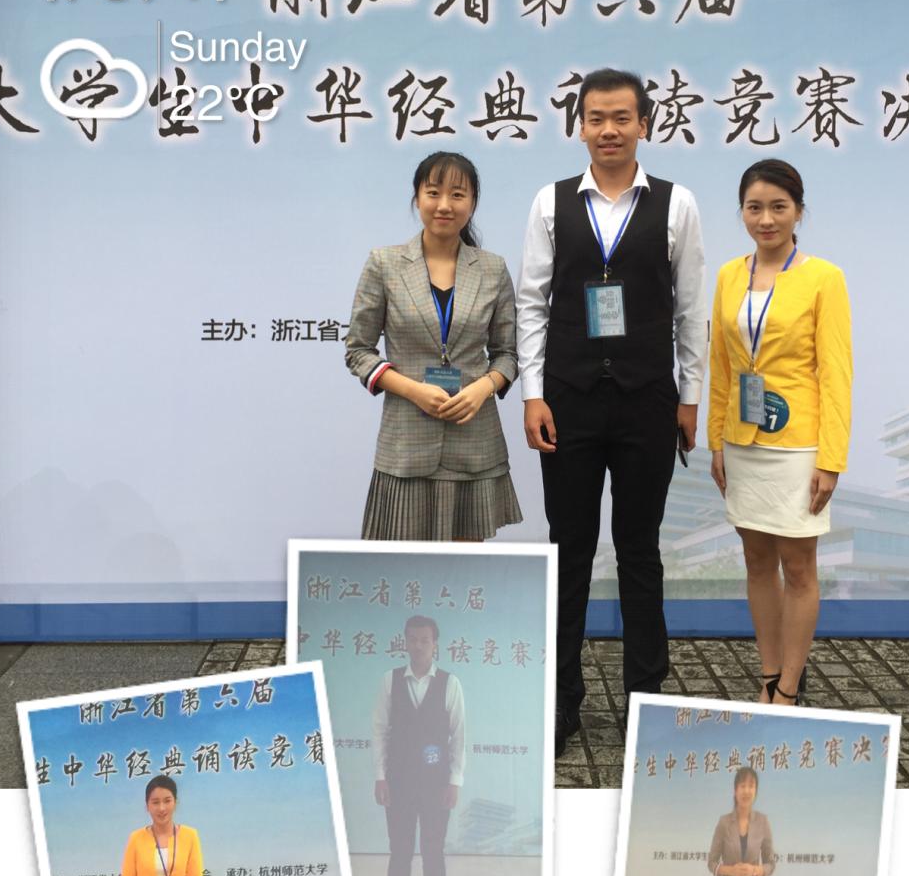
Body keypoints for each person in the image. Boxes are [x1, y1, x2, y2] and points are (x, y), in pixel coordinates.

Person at [516, 67, 707, 756]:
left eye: (622, 117)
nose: (609, 130)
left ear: (644, 124)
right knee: (568, 551)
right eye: (596, 118)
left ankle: (645, 701)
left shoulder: (677, 204)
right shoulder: (551, 202)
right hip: (566, 400)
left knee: (640, 551)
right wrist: (533, 393)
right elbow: (532, 303)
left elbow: (691, 310)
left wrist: (690, 397)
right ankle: (562, 702)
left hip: (648, 401)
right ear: (580, 127)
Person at [708, 159, 852, 706]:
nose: (765, 219)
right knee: (756, 562)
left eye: (778, 207)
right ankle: (768, 674)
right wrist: (716, 441)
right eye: (754, 207)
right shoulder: (729, 275)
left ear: (798, 212)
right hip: (743, 440)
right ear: (742, 212)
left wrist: (831, 459)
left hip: (799, 446)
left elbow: (836, 374)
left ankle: (790, 687)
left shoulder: (824, 278)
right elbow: (722, 365)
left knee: (798, 566)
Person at [346, 152, 521, 541]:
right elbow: (358, 350)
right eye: (433, 192)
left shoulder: (493, 268)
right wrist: (413, 391)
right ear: (417, 198)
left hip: (475, 441)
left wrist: (483, 388)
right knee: (404, 566)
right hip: (406, 444)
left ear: (473, 203)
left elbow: (508, 354)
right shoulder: (384, 264)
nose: (445, 205)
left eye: (457, 194)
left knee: (464, 570)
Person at [371, 614, 465, 876]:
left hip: (437, 782)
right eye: (413, 639)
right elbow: (379, 731)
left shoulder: (450, 683)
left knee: (433, 850)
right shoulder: (390, 680)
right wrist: (380, 777)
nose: (419, 645)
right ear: (405, 643)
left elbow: (459, 736)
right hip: (398, 780)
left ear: (435, 644)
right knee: (399, 850)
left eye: (425, 640)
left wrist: (455, 781)